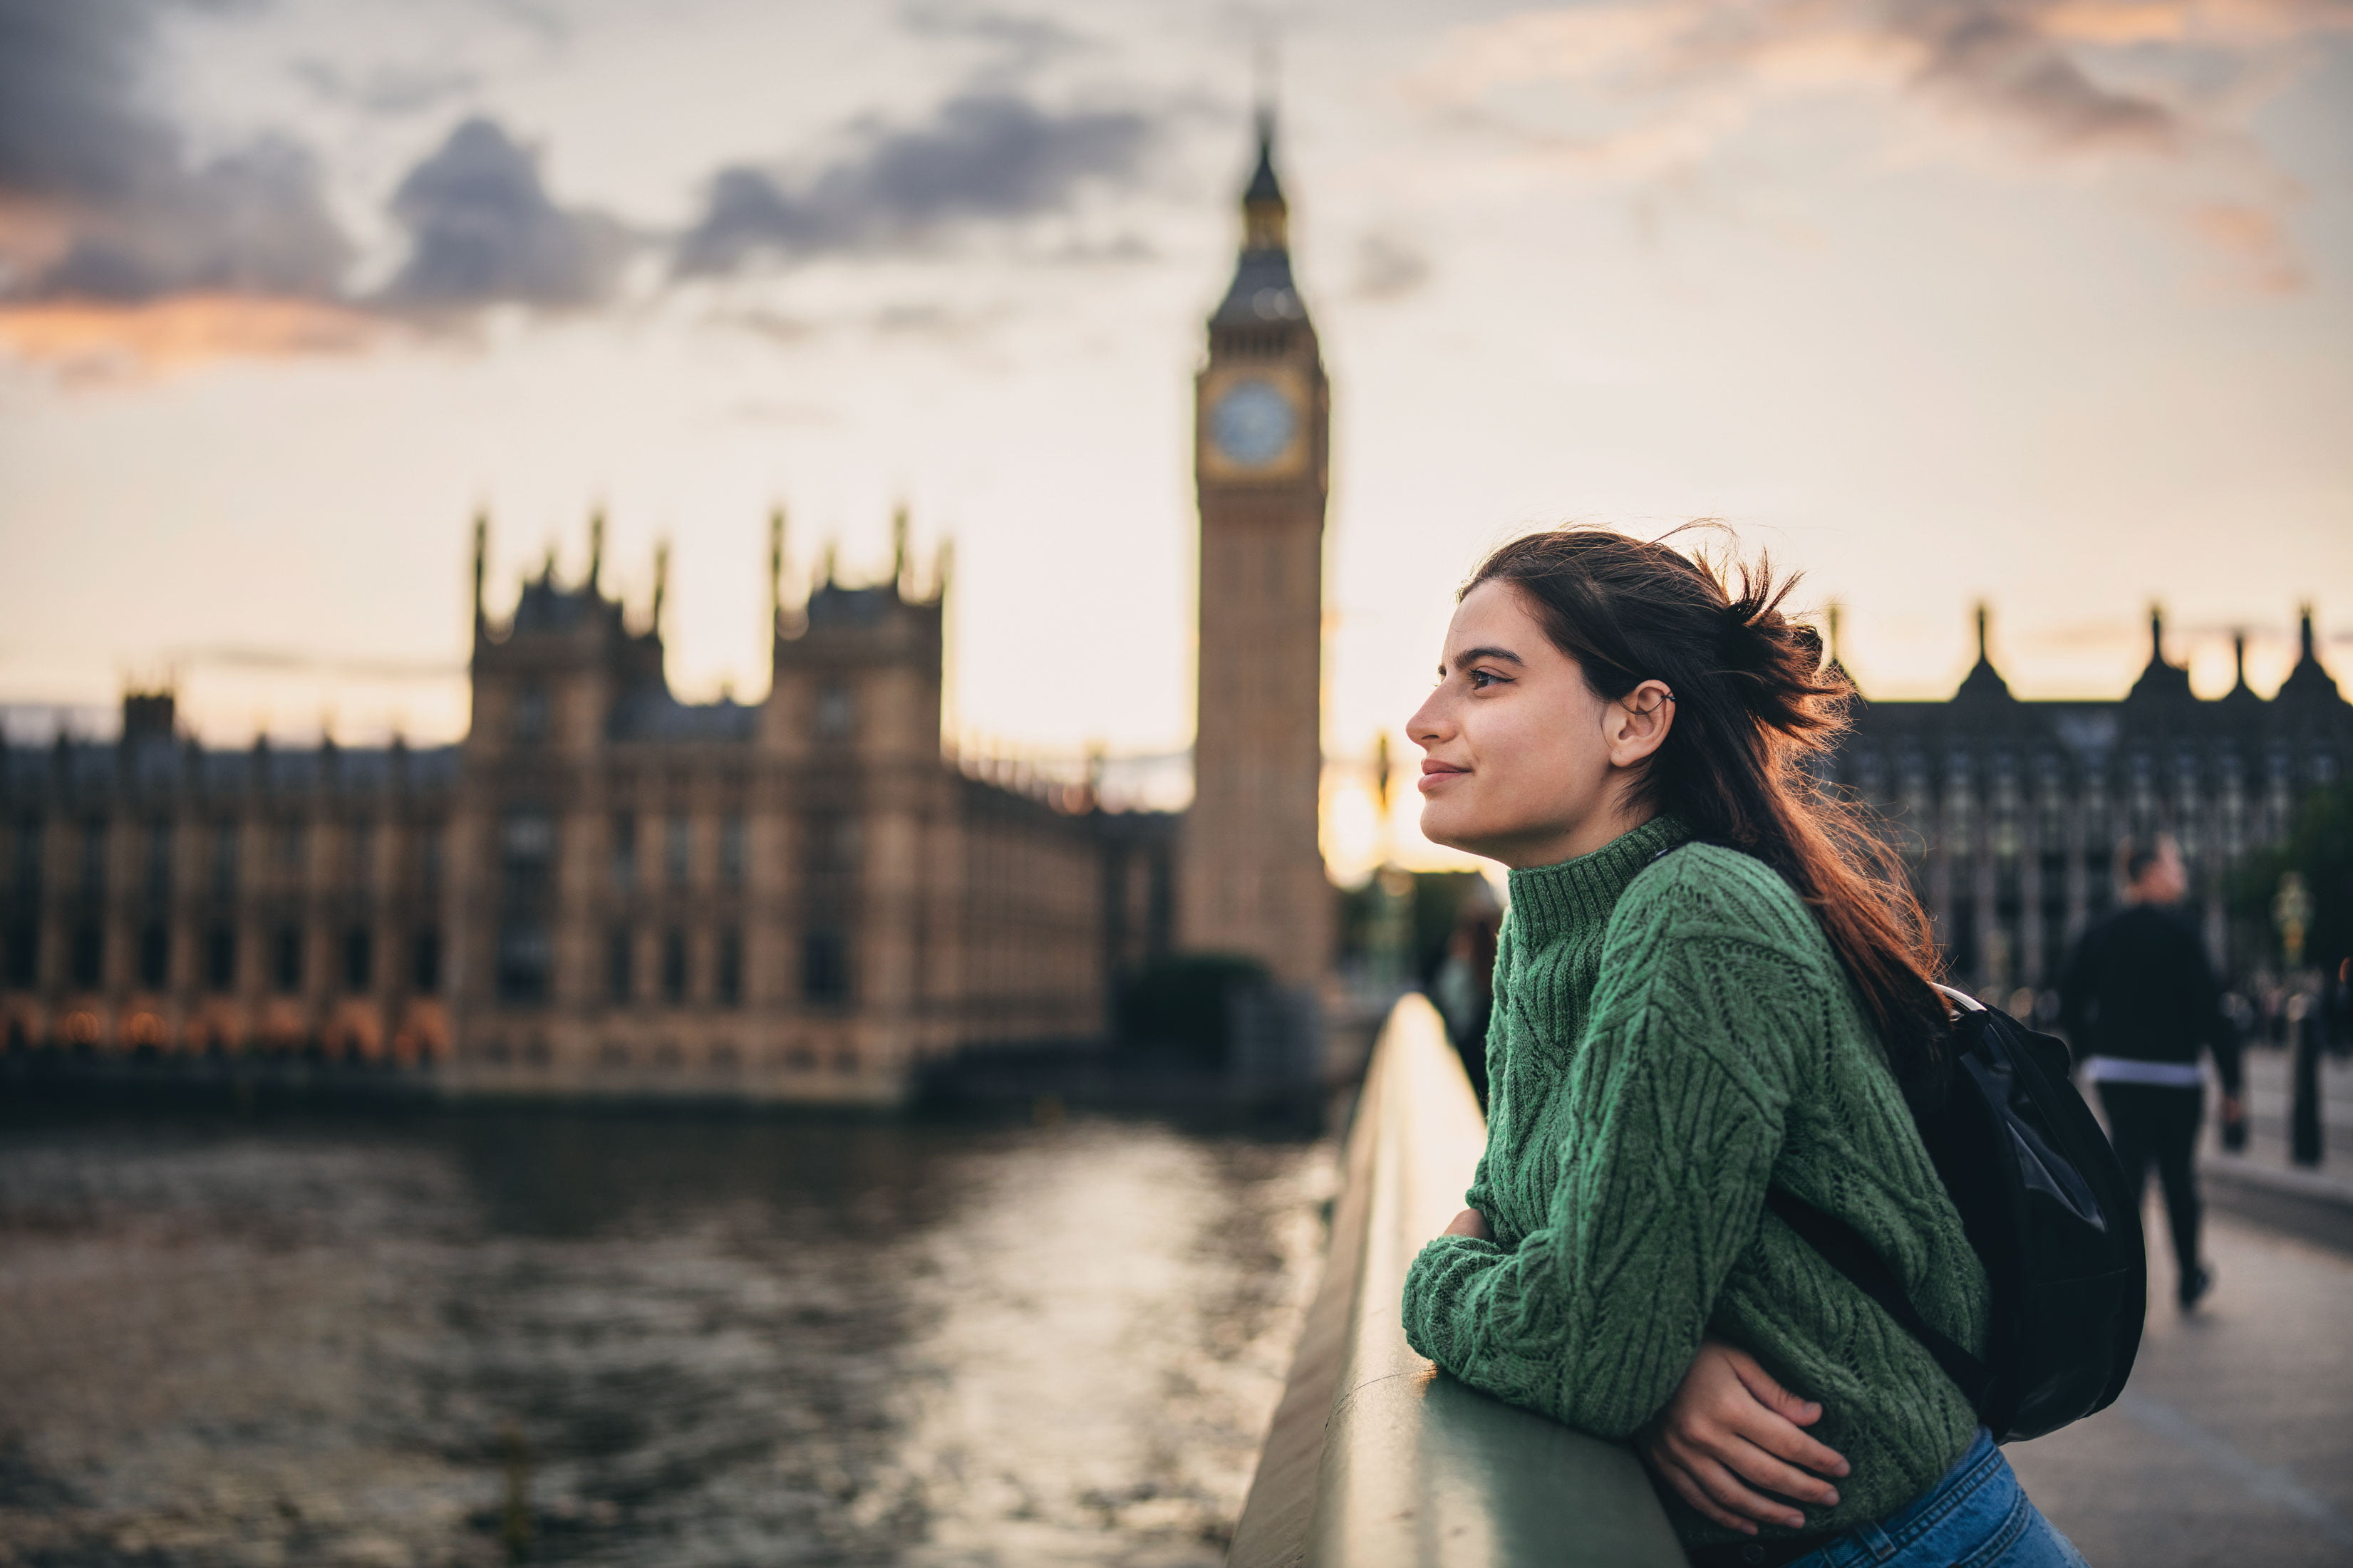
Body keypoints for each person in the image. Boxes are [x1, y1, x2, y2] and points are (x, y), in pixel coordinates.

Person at [1398, 527, 2086, 1568]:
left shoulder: (1700, 914)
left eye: (1483, 679)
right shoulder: (1549, 922)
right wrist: (1647, 1362)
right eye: (1440, 676)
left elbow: (1578, 1344)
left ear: (1636, 720)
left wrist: (1435, 1280)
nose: (1423, 720)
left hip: (1911, 1543)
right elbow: (1523, 1226)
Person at [2058, 835, 2241, 1309]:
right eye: (2174, 862)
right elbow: (2211, 1010)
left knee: (2127, 1177)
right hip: (2177, 1076)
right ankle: (2189, 1275)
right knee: (2180, 1177)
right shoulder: (2184, 932)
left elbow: (2070, 998)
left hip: (2119, 1074)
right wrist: (2232, 1082)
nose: (2182, 871)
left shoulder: (2101, 930)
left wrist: (2087, 1054)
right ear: (2149, 872)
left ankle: (2123, 1282)